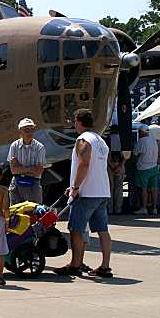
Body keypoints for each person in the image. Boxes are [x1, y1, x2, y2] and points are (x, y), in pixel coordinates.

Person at [54, 109, 113, 278]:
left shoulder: (83, 140)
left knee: (76, 229)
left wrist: (75, 187)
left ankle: (75, 264)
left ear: (79, 122)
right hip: (102, 191)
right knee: (102, 230)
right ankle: (105, 266)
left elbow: (84, 164)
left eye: (75, 121)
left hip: (86, 193)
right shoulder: (100, 141)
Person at [7, 118, 47, 204]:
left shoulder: (39, 147)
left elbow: (38, 172)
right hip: (17, 183)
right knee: (16, 210)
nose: (29, 133)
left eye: (32, 130)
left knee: (34, 210)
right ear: (20, 131)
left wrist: (20, 168)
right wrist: (31, 169)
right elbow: (13, 170)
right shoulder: (14, 146)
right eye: (26, 130)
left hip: (33, 184)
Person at [133, 124, 160, 215]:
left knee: (143, 189)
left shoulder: (141, 141)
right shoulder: (154, 140)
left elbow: (135, 153)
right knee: (154, 188)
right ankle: (154, 208)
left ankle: (144, 208)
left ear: (141, 132)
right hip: (154, 167)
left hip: (143, 168)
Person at [107, 150, 125, 214]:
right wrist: (120, 165)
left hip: (110, 165)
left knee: (110, 188)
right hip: (119, 165)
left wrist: (110, 165)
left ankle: (110, 209)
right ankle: (117, 209)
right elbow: (126, 155)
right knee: (118, 189)